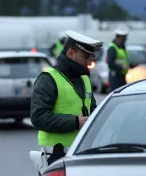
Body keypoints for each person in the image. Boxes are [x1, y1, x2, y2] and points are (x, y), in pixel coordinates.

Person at [30, 30, 102, 170]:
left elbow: (92, 110)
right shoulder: (48, 79)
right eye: (85, 57)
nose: (89, 62)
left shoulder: (85, 79)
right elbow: (38, 117)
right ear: (70, 53)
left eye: (91, 57)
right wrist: (75, 122)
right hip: (56, 156)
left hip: (82, 153)